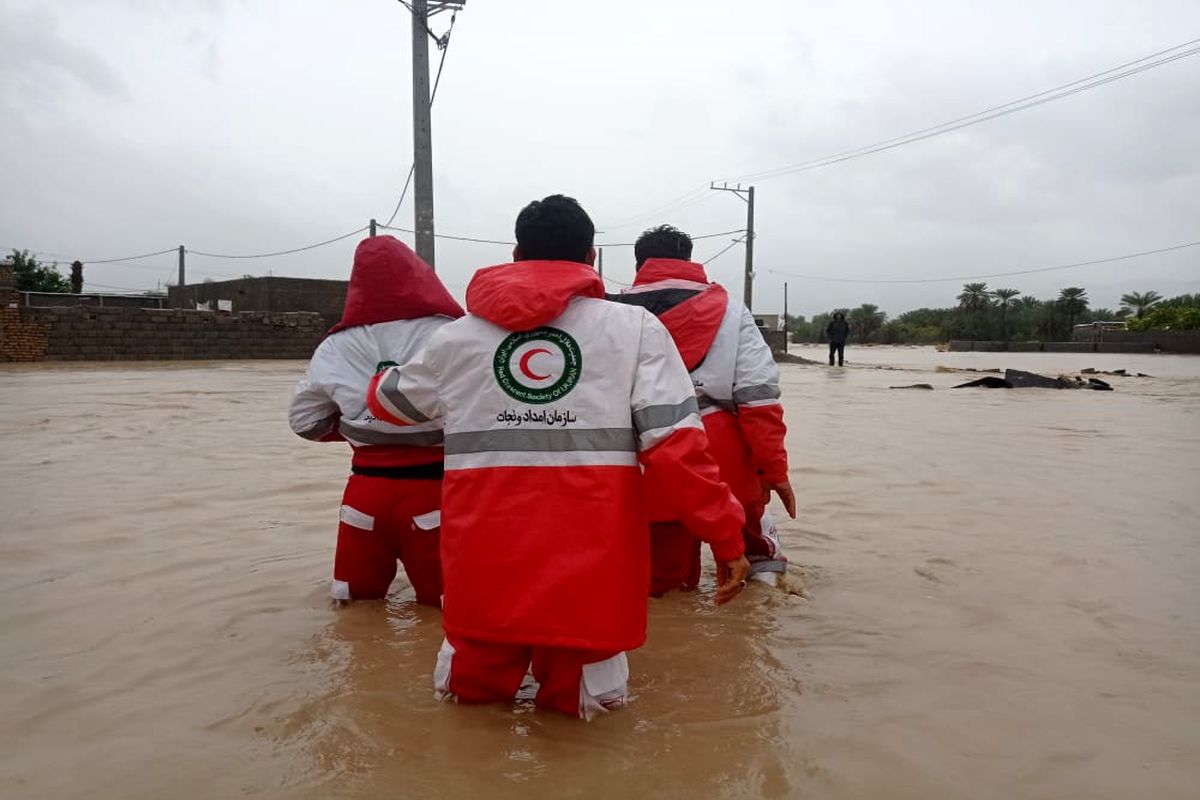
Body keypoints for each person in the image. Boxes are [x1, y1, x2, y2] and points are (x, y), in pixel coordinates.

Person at [366, 195, 750, 720]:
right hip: (592, 582)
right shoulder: (635, 331)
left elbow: (389, 407)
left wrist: (374, 358)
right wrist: (727, 536)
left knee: (468, 723)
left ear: (516, 252)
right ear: (592, 257)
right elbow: (679, 451)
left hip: (484, 573)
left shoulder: (455, 339)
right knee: (584, 733)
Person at [612, 224, 796, 593]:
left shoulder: (612, 312)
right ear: (689, 259)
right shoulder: (731, 310)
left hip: (647, 460)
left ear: (638, 265)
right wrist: (773, 468)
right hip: (725, 455)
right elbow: (758, 398)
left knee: (664, 585)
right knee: (755, 564)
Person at [288, 235, 463, 605]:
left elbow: (304, 420)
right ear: (420, 275)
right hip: (435, 493)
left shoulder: (334, 345)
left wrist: (361, 426)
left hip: (364, 493)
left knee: (354, 608)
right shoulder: (451, 334)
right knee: (445, 609)